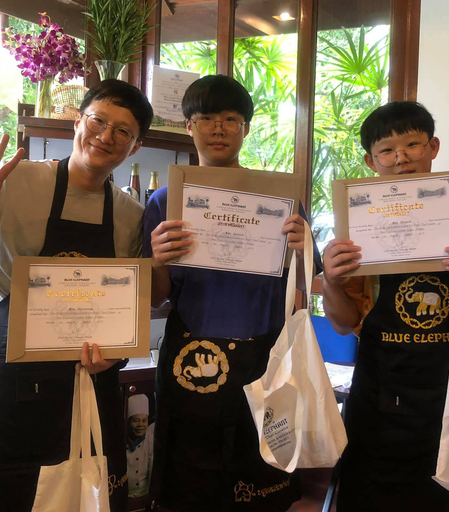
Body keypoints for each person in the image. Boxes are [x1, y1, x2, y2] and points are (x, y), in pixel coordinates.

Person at [0, 79, 153, 512]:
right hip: (7, 382)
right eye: (98, 120)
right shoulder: (17, 182)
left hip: (85, 383)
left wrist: (116, 356)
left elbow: (131, 306)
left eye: (122, 131)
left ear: (135, 146)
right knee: (0, 494)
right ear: (77, 122)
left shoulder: (131, 216)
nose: (106, 136)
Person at [144, 74, 316, 511]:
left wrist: (302, 250)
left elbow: (302, 291)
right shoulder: (164, 201)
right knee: (190, 472)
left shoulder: (282, 200)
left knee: (261, 462)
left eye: (230, 119)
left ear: (246, 128)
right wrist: (158, 260)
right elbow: (157, 298)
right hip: (191, 351)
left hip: (265, 353)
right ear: (188, 127)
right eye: (205, 118)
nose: (217, 128)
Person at [321, 101, 449, 511]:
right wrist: (330, 280)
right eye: (386, 150)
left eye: (413, 145)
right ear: (370, 160)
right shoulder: (358, 224)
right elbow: (345, 324)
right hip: (381, 389)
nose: (401, 159)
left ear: (433, 147)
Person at [127, 394, 154, 498]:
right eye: (135, 420)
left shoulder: (151, 440)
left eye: (144, 421)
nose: (140, 425)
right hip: (125, 496)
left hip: (145, 495)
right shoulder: (120, 441)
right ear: (129, 422)